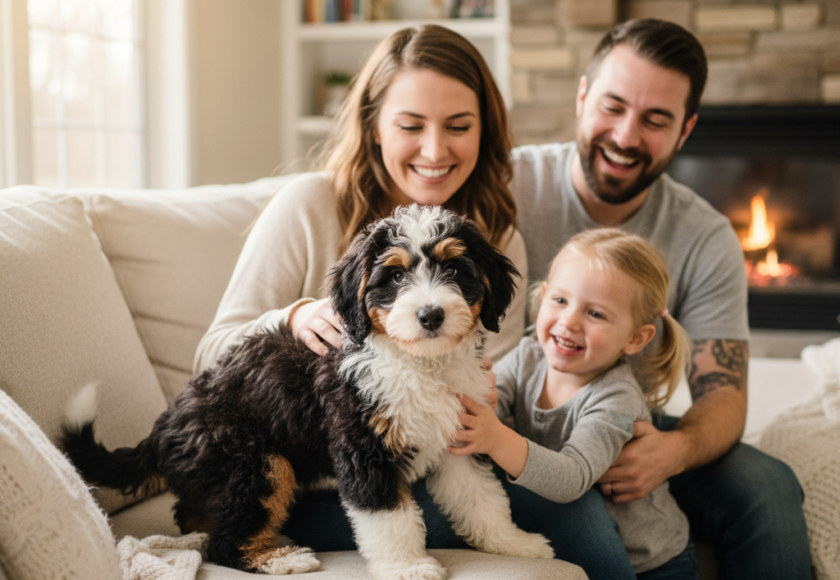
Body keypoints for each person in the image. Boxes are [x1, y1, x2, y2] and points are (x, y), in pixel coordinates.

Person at [509, 18, 810, 578]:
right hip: (518, 415)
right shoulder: (509, 187)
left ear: (685, 130)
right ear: (582, 96)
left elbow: (724, 398)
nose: (626, 136)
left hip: (624, 426)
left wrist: (674, 452)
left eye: (655, 120)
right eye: (613, 106)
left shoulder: (706, 235)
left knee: (769, 488)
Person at [194, 23, 527, 370]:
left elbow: (502, 378)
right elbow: (209, 358)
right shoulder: (309, 205)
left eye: (458, 127)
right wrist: (293, 319)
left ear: (484, 130)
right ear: (374, 128)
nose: (433, 151)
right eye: (410, 126)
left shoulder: (497, 237)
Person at [450, 228, 698, 579]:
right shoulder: (526, 357)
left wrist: (494, 437)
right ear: (543, 295)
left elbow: (571, 479)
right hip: (573, 546)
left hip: (652, 563)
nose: (569, 322)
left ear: (635, 338)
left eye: (596, 314)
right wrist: (476, 392)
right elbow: (489, 401)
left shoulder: (616, 398)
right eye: (561, 301)